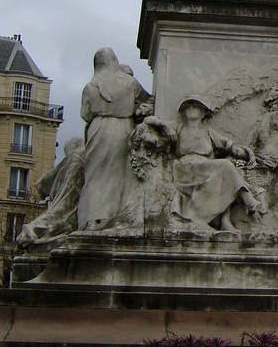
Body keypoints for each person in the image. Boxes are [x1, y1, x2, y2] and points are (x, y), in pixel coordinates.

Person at [164, 95, 262, 232]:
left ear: (203, 112)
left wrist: (250, 155)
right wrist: (165, 127)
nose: (191, 109)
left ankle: (225, 221)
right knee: (224, 166)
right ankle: (248, 200)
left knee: (224, 171)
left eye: (195, 106)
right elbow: (149, 120)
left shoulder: (209, 132)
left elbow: (231, 148)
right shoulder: (177, 128)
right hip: (185, 169)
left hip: (205, 169)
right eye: (188, 107)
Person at [76, 48, 150, 229]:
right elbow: (149, 100)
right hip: (124, 128)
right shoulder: (130, 82)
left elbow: (85, 114)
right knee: (121, 175)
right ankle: (114, 216)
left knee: (95, 175)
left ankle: (91, 220)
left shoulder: (90, 86)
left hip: (99, 129)